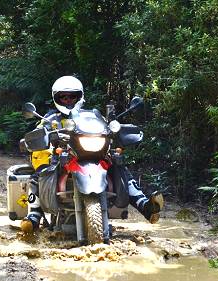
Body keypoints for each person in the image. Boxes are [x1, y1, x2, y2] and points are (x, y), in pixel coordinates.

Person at [20, 76, 164, 233]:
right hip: (60, 158)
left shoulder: (91, 116)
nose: (68, 100)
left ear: (80, 97)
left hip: (91, 155)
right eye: (63, 97)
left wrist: (114, 131)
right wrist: (39, 138)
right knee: (36, 178)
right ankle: (33, 215)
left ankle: (146, 207)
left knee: (120, 168)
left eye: (72, 96)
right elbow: (38, 133)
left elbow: (105, 128)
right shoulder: (50, 118)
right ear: (56, 98)